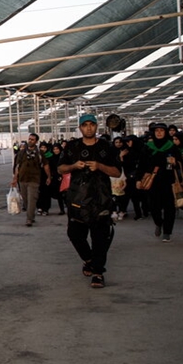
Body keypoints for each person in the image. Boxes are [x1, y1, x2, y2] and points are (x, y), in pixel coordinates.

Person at [58, 114, 121, 289]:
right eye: (84, 125)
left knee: (100, 237)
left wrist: (100, 166)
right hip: (77, 198)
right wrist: (73, 166)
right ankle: (89, 260)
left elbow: (116, 172)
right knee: (75, 234)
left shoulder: (106, 147)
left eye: (91, 125)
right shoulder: (72, 147)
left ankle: (98, 273)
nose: (88, 128)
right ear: (80, 128)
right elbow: (60, 168)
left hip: (101, 199)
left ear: (96, 127)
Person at [138, 122, 183, 242]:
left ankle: (167, 231)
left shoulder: (172, 146)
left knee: (169, 207)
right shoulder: (147, 147)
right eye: (156, 131)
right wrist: (138, 179)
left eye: (161, 131)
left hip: (168, 180)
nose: (159, 133)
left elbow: (180, 163)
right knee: (154, 206)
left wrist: (175, 162)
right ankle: (158, 223)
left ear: (165, 132)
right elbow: (141, 165)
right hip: (152, 182)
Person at [11, 133, 47, 227]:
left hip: (34, 179)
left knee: (32, 199)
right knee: (26, 200)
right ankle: (31, 214)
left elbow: (46, 165)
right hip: (22, 179)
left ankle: (29, 219)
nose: (30, 141)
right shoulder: (22, 153)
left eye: (32, 139)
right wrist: (15, 179)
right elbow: (17, 166)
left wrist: (49, 176)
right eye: (29, 139)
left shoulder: (39, 153)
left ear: (36, 141)